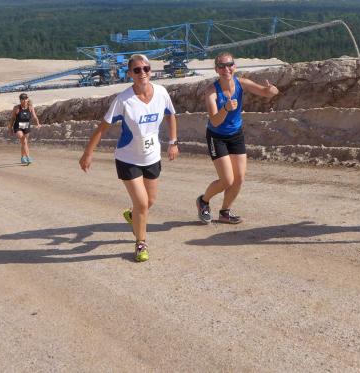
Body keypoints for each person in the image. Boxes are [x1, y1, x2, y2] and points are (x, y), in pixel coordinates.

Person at [79, 54, 179, 263]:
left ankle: (133, 217)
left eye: (146, 69)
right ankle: (141, 243)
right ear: (130, 74)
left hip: (152, 156)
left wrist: (173, 142)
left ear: (151, 71)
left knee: (150, 201)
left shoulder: (161, 93)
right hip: (128, 158)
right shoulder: (123, 100)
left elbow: (170, 114)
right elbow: (102, 127)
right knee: (141, 203)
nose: (142, 73)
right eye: (137, 70)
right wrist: (88, 153)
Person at [195, 52, 279, 224]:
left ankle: (225, 212)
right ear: (216, 70)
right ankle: (203, 201)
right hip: (217, 136)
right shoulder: (211, 91)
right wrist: (225, 108)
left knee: (239, 178)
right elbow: (215, 121)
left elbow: (267, 92)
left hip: (236, 134)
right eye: (222, 66)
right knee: (227, 180)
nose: (226, 69)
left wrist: (272, 90)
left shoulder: (241, 83)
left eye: (229, 65)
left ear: (235, 66)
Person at [9, 92, 41, 165]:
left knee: (24, 142)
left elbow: (35, 116)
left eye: (25, 99)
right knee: (23, 140)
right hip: (18, 126)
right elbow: (12, 119)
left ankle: (22, 157)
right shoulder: (16, 108)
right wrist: (10, 128)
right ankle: (28, 157)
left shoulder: (30, 107)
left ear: (27, 99)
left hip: (26, 126)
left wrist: (38, 124)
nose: (24, 100)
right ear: (20, 100)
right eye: (22, 99)